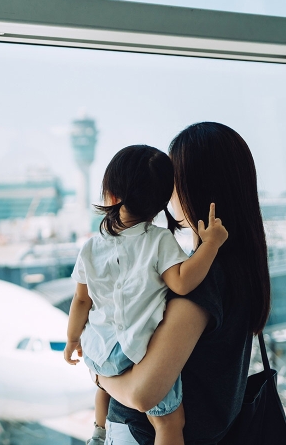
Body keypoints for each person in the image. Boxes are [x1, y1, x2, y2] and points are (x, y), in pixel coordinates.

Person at [95, 122, 271, 445]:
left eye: (172, 179)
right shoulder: (240, 268)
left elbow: (144, 393)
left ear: (196, 186)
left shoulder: (204, 278)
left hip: (141, 435)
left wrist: (100, 374)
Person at [64, 144, 229, 445]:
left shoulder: (90, 246)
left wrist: (74, 339)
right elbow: (181, 283)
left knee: (102, 385)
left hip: (98, 349)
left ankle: (98, 433)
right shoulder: (158, 241)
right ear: (163, 200)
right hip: (131, 351)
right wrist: (210, 246)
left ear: (111, 196)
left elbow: (81, 300)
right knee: (169, 423)